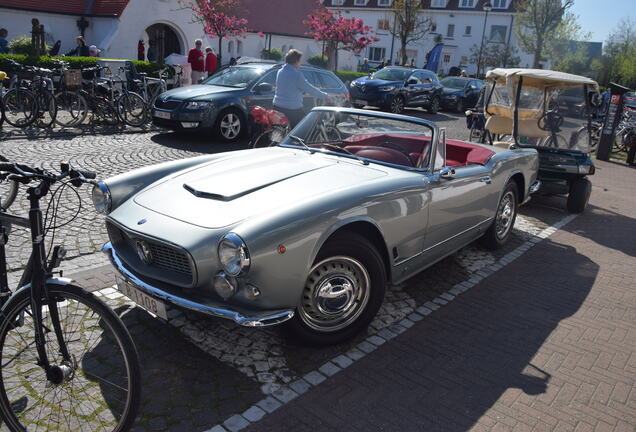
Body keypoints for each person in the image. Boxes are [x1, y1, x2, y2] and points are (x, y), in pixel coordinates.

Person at [273, 49, 329, 128]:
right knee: (304, 128)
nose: (300, 63)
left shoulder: (280, 71)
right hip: (291, 109)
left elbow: (288, 87)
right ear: (296, 61)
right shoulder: (296, 74)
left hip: (277, 106)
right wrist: (325, 95)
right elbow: (310, 89)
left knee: (284, 130)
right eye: (300, 61)